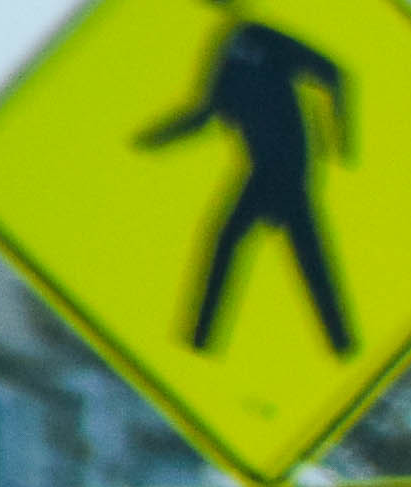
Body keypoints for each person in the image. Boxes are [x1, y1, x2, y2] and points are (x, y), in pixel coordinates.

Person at [139, 2, 354, 359]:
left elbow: (334, 73)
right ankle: (201, 343)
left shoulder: (261, 38)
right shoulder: (227, 52)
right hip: (263, 169)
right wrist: (157, 138)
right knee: (291, 254)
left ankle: (201, 342)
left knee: (271, 250)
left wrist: (344, 140)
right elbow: (205, 113)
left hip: (286, 169)